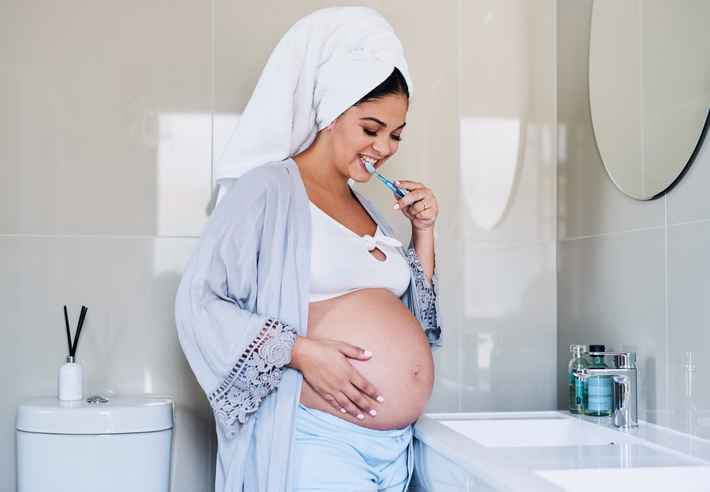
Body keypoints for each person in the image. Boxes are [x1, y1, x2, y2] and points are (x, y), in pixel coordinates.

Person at [175, 6, 442, 492]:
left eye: (396, 135)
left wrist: (423, 233)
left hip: (394, 450)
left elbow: (419, 327)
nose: (383, 147)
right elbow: (200, 302)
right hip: (316, 442)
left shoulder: (370, 211)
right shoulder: (269, 190)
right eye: (371, 128)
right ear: (331, 113)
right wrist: (300, 352)